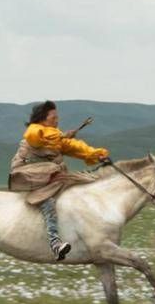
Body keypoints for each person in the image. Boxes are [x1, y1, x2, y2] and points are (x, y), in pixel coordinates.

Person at [8, 100, 109, 260]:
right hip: (28, 174)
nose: (57, 120)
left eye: (57, 117)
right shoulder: (35, 131)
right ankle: (55, 244)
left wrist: (96, 154)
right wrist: (60, 135)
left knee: (82, 183)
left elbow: (75, 147)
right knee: (48, 203)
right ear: (42, 118)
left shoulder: (55, 138)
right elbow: (35, 136)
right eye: (53, 117)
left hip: (46, 176)